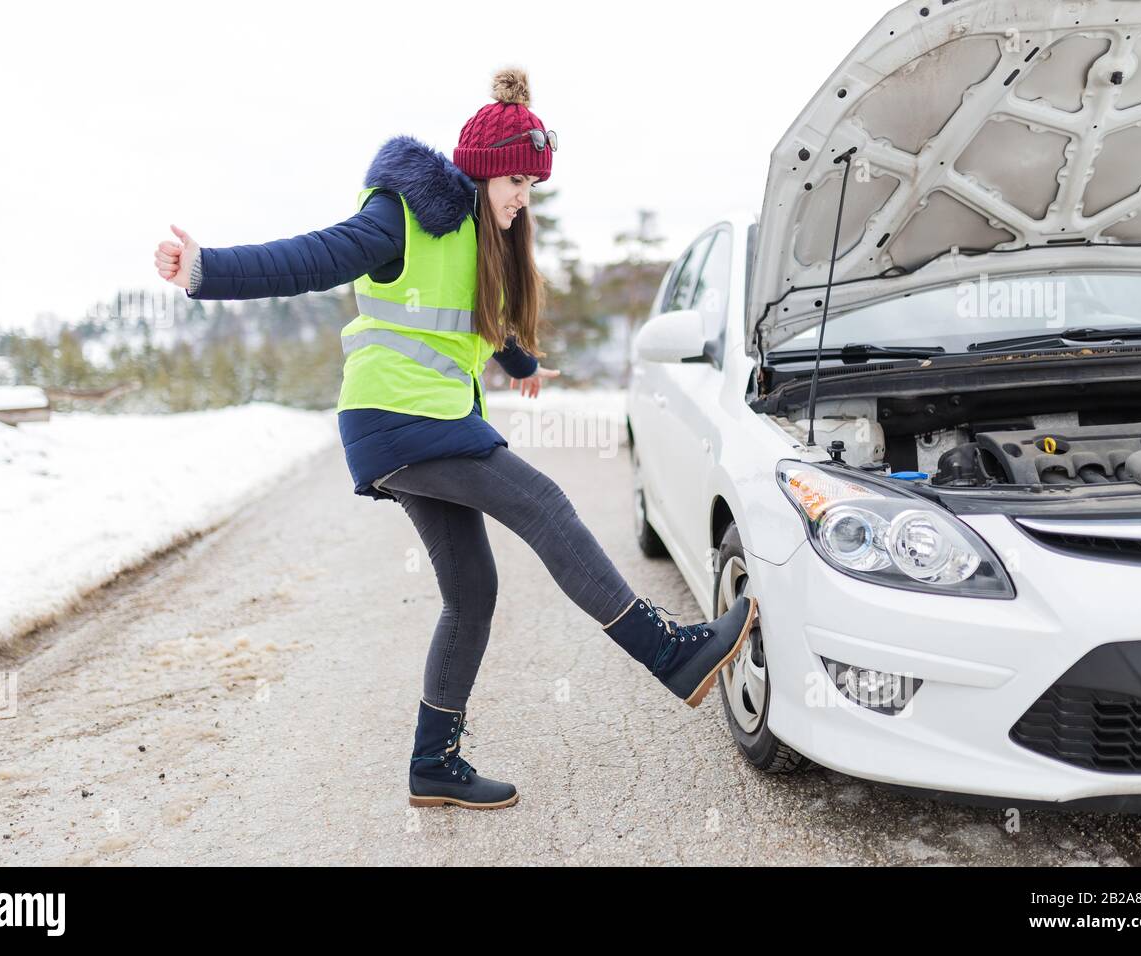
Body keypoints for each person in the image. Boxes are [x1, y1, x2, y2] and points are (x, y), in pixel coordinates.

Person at [154, 67, 757, 812]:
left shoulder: (476, 239)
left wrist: (520, 364)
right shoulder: (401, 216)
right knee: (544, 504)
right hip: (401, 417)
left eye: (532, 187)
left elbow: (472, 322)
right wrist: (206, 269)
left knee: (472, 593)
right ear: (482, 170)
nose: (522, 199)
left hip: (419, 421)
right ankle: (669, 652)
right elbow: (314, 257)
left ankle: (433, 764)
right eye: (515, 182)